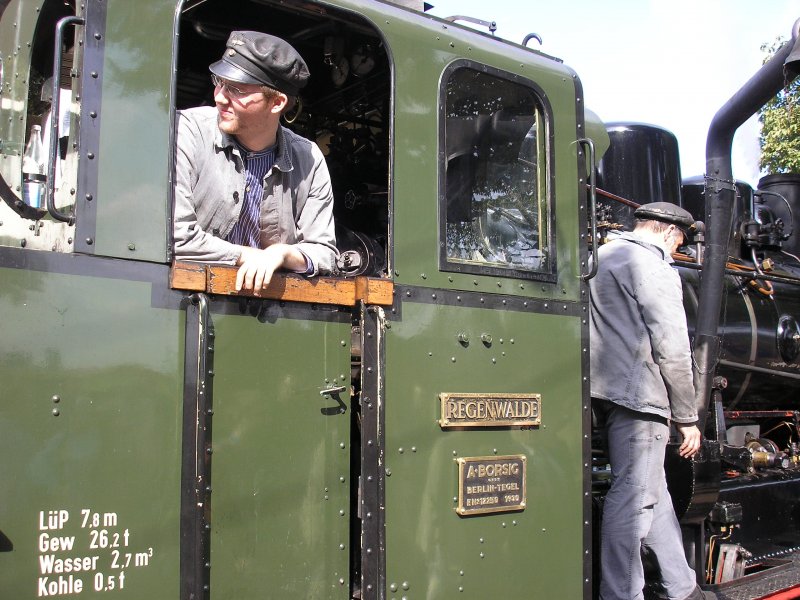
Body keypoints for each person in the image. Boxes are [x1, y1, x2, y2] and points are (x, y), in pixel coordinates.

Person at [590, 202, 716, 600]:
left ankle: (683, 587)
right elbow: (673, 349)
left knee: (653, 492)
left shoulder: (599, 257)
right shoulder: (652, 265)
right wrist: (688, 416)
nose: (677, 251)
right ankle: (622, 594)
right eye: (679, 243)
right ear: (667, 231)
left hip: (603, 392)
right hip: (641, 396)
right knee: (634, 497)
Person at [174, 31, 337, 291]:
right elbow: (176, 236)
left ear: (277, 102)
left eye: (236, 89)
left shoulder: (309, 158)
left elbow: (325, 252)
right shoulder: (185, 130)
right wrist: (249, 256)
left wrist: (281, 254)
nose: (219, 96)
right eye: (219, 81)